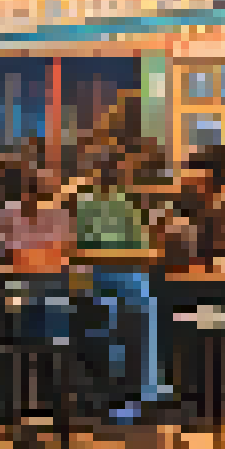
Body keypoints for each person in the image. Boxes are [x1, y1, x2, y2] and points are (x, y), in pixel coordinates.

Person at [74, 142, 166, 420]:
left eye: (111, 167)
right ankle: (120, 394)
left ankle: (145, 390)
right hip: (97, 277)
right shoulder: (84, 204)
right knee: (113, 313)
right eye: (103, 167)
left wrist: (112, 254)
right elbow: (81, 253)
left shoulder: (125, 204)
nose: (107, 172)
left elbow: (146, 252)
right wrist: (118, 255)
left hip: (125, 274)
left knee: (144, 302)